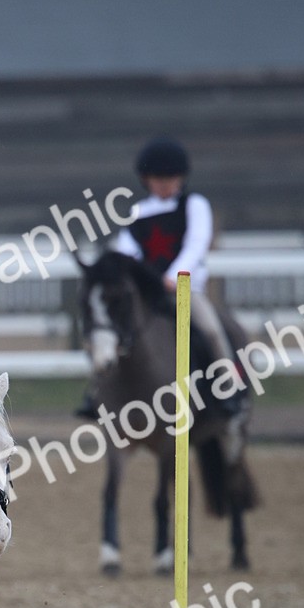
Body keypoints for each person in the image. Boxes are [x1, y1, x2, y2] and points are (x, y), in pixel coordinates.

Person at [76, 137, 241, 421]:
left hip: (186, 290)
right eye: (157, 178)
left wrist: (176, 276)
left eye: (170, 178)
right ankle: (96, 393)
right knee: (112, 329)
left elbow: (196, 243)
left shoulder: (194, 204)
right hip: (148, 292)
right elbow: (127, 250)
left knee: (212, 330)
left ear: (181, 178)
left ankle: (228, 390)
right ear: (146, 179)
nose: (164, 183)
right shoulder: (140, 212)